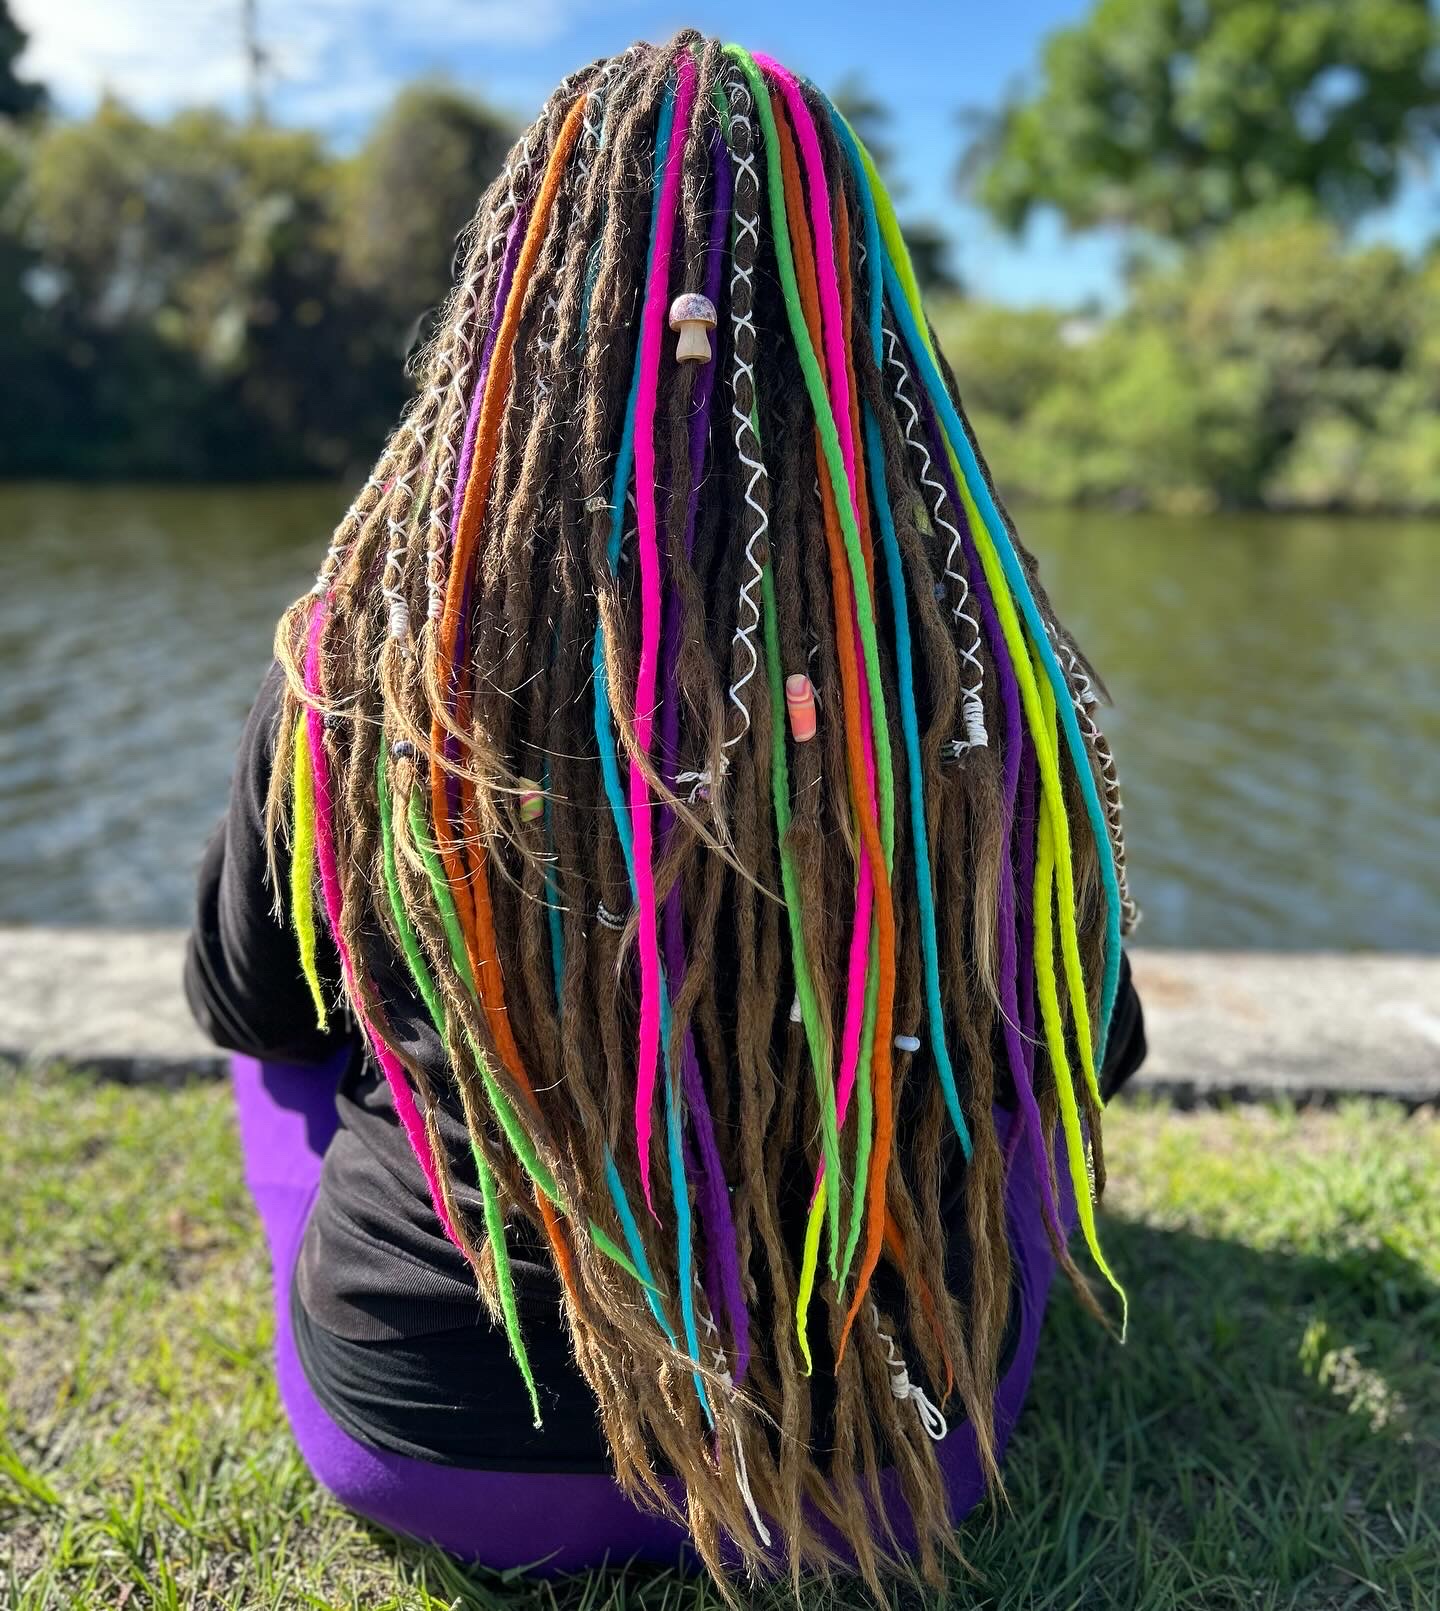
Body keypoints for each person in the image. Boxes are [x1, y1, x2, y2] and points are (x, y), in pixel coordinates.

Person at [185, 32, 1146, 1594]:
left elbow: (258, 1012)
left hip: (443, 1456)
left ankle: (420, 1283)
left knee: (275, 1025)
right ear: (867, 324)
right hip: (895, 1460)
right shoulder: (996, 676)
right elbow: (1084, 1047)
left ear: (520, 308)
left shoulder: (363, 655)